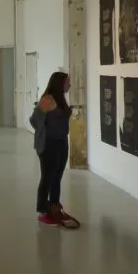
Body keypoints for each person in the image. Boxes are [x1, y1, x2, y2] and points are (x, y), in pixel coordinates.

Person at [29, 71, 79, 229]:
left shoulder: (60, 99)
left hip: (61, 142)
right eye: (67, 82)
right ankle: (43, 212)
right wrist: (44, 131)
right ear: (59, 84)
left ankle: (55, 206)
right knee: (47, 178)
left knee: (57, 177)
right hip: (49, 144)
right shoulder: (48, 99)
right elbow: (33, 120)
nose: (69, 84)